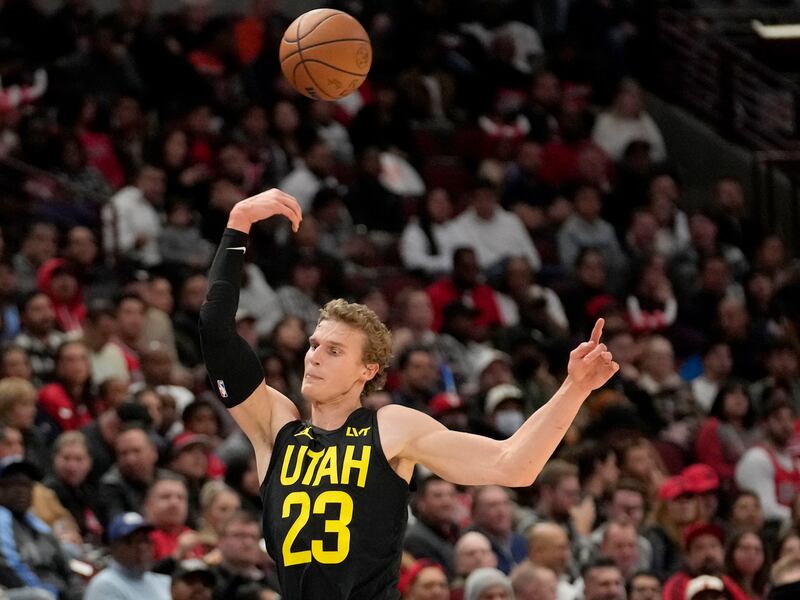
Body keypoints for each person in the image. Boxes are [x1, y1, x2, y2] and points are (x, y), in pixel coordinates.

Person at [198, 188, 620, 599]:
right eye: (313, 345)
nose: (314, 357)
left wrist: (574, 388)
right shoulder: (276, 427)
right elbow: (216, 335)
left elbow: (513, 465)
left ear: (368, 370)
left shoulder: (390, 427)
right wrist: (237, 224)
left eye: (333, 350)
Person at [83, 512, 170, 600]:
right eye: (132, 541)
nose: (142, 547)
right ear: (114, 547)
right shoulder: (105, 585)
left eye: (145, 540)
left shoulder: (163, 582)